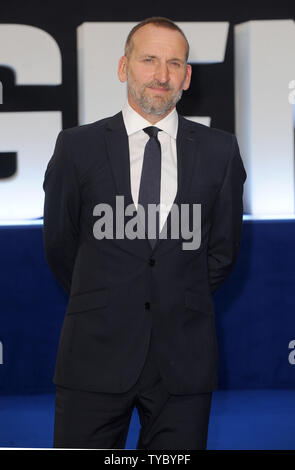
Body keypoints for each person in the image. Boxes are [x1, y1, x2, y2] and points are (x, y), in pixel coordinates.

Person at [42, 17, 246, 450]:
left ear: (187, 76)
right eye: (149, 59)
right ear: (124, 67)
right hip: (94, 354)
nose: (161, 74)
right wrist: (109, 294)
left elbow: (222, 252)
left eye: (175, 63)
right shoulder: (76, 147)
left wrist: (176, 292)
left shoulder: (220, 151)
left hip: (184, 359)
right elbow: (61, 247)